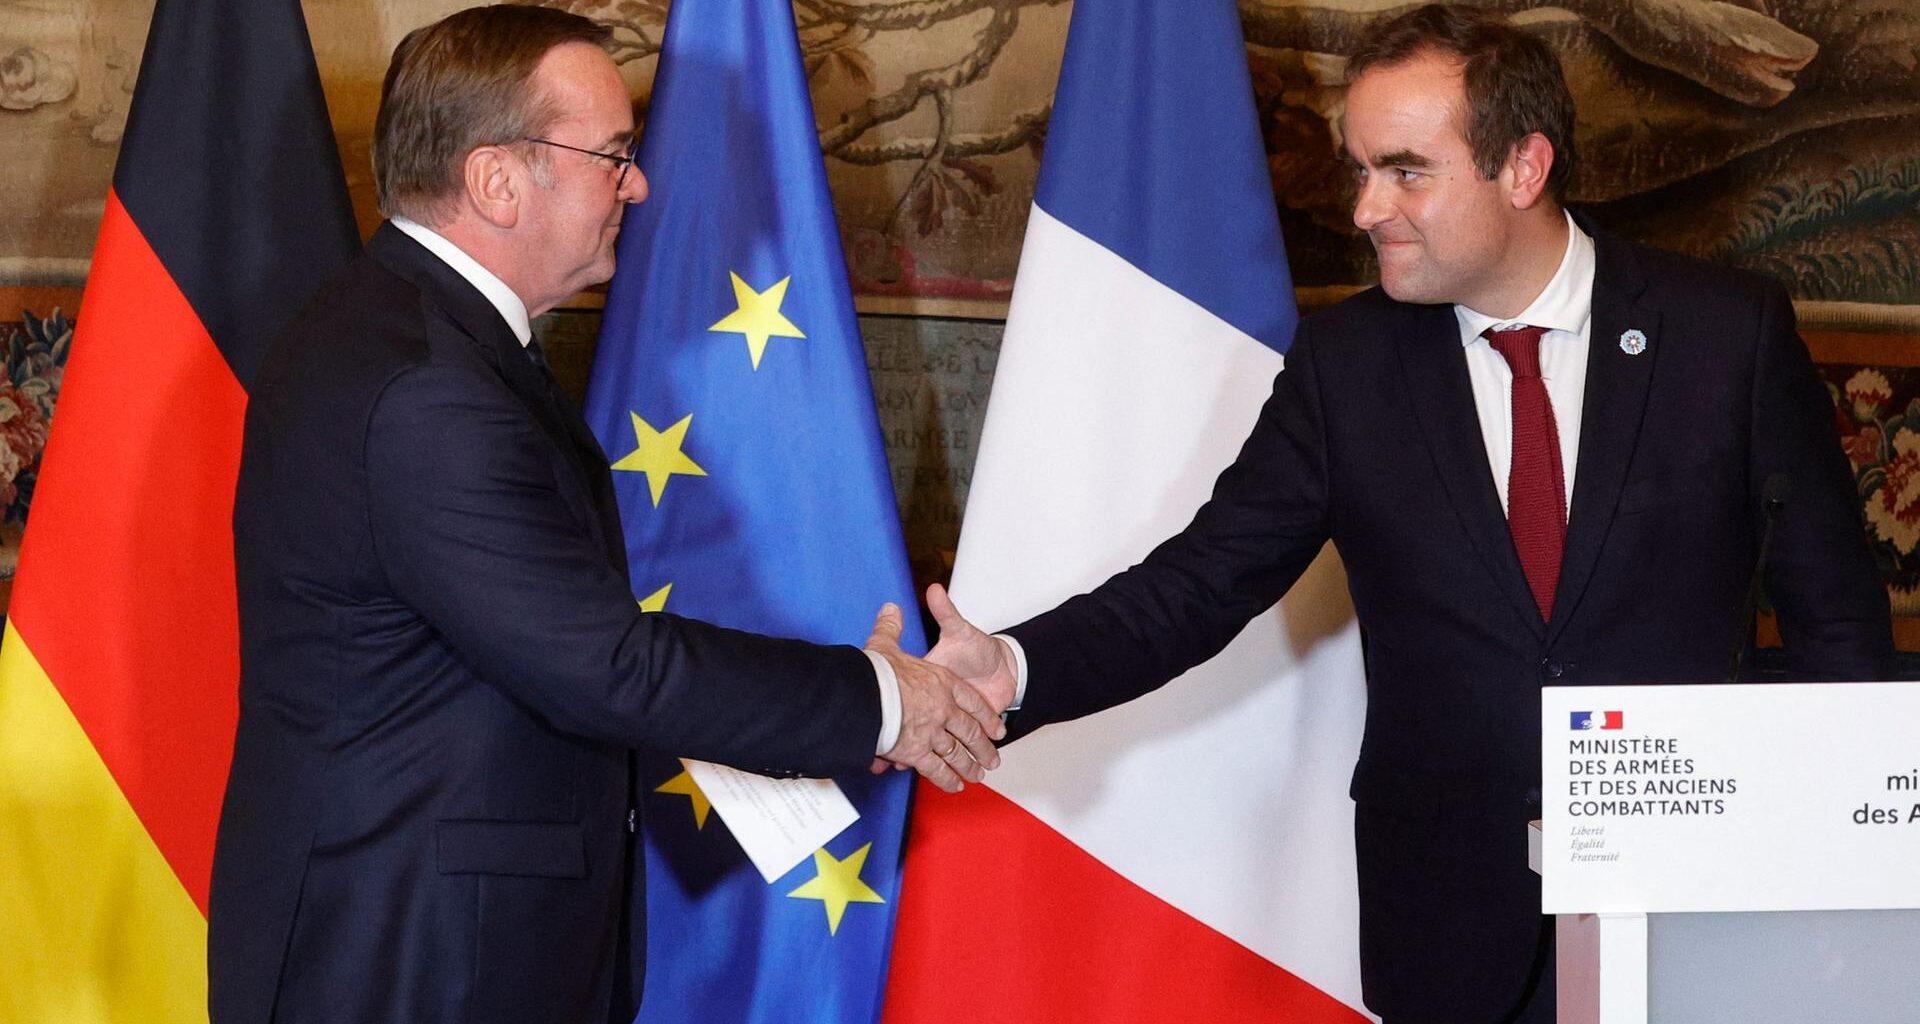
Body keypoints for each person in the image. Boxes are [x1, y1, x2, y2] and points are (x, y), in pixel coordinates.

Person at [924, 5, 1893, 1023]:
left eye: (1405, 171)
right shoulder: (1347, 370)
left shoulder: (1724, 337)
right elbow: (1196, 585)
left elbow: (1837, 622)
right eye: (1360, 170)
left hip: (1689, 907)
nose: (1365, 208)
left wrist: (1854, 872)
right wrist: (1017, 667)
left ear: (1522, 168)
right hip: (1444, 921)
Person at [206, 7, 1001, 1024]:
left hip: (445, 938)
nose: (638, 182)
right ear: (497, 180)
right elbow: (607, 667)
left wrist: (849, 704)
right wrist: (885, 699)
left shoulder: (413, 333)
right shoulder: (424, 386)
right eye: (611, 154)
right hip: (415, 959)